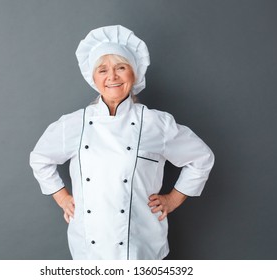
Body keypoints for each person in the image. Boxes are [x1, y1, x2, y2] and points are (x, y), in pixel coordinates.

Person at [29, 25, 214, 260]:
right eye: (102, 70)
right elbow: (40, 158)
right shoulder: (74, 123)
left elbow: (201, 158)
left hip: (142, 245)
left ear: (134, 73)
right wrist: (62, 197)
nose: (112, 77)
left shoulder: (156, 123)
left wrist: (173, 198)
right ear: (93, 78)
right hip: (89, 249)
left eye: (121, 67)